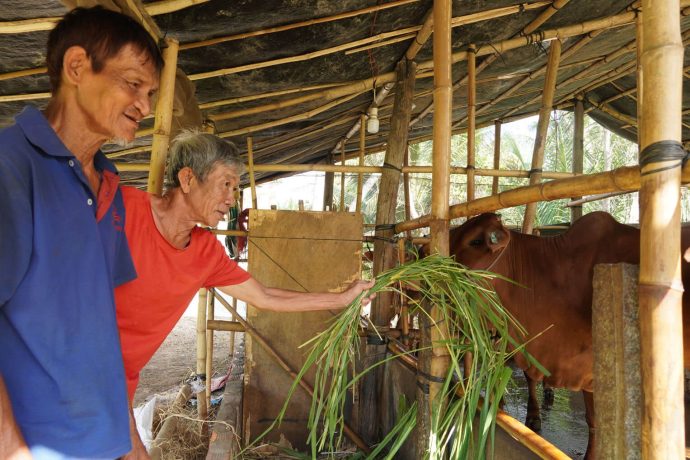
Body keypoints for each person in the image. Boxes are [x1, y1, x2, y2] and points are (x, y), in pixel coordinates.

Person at [115, 130, 374, 454]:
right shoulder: (121, 211)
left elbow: (264, 297)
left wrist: (341, 299)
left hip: (116, 389)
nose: (231, 199)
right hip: (72, 370)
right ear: (187, 178)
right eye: (225, 184)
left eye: (236, 189)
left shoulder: (204, 252)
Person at [0, 7, 162, 459]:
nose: (145, 107)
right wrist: (11, 448)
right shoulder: (11, 167)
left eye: (149, 93)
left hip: (103, 441)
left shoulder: (109, 186)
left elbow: (98, 326)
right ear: (77, 67)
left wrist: (129, 441)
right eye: (132, 84)